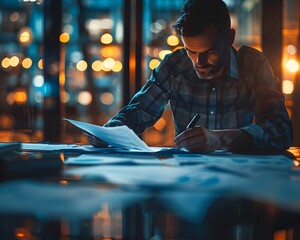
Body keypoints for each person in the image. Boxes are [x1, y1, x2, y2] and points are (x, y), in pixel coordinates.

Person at [85, 0, 293, 153]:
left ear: (229, 38)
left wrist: (220, 140)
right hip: (187, 181)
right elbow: (138, 112)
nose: (198, 62)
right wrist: (108, 132)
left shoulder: (252, 65)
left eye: (209, 52)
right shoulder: (175, 65)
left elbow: (281, 131)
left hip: (242, 184)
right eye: (191, 51)